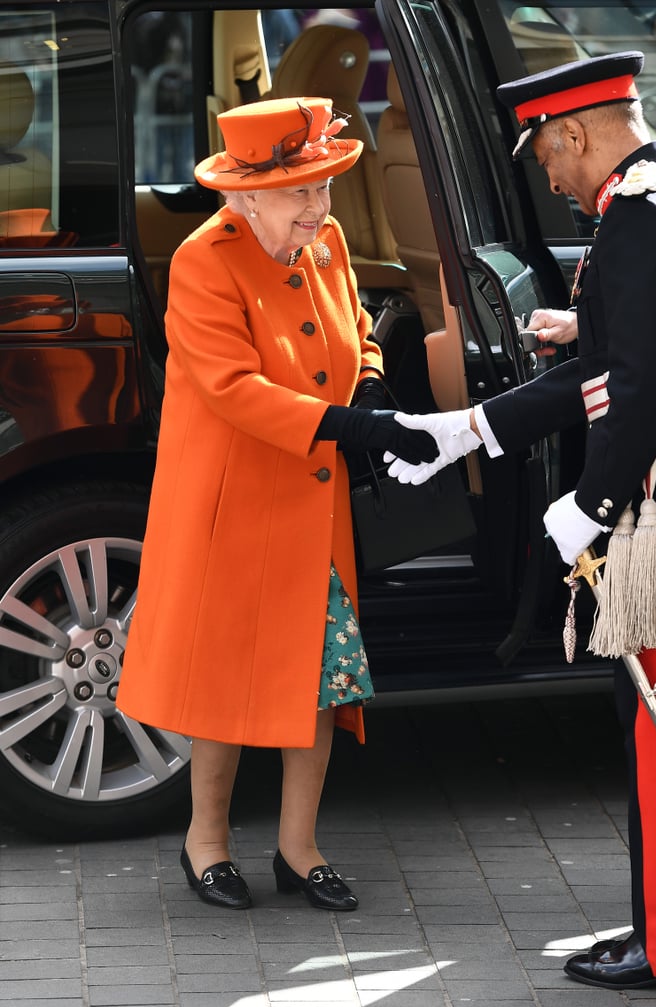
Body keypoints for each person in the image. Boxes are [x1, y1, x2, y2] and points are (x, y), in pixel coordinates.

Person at [384, 51, 656, 989]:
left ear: (574, 132)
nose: (545, 176)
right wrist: (468, 427)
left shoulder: (636, 221)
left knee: (654, 723)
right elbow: (630, 353)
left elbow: (640, 387)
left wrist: (588, 504)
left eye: (544, 156)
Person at [116, 96, 437, 912]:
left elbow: (356, 328)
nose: (319, 206)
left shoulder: (321, 241)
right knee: (225, 680)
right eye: (300, 190)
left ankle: (300, 849)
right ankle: (208, 843)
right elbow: (231, 390)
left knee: (322, 678)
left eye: (324, 186)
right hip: (235, 505)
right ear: (246, 194)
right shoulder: (204, 259)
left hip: (312, 507)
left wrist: (367, 379)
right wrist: (348, 425)